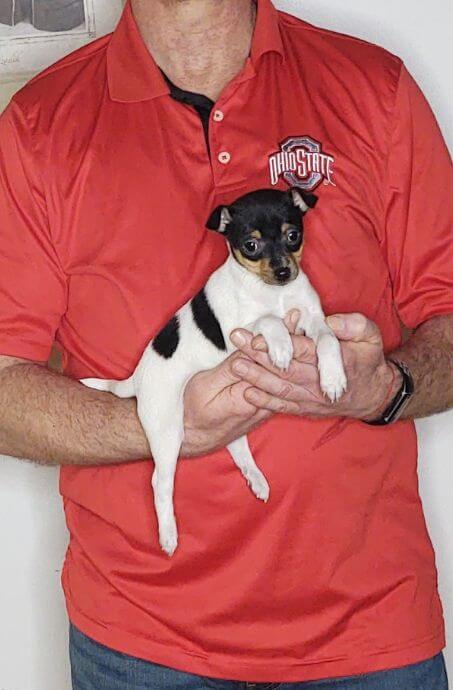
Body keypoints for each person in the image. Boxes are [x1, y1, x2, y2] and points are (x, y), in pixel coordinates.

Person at [0, 0, 452, 688]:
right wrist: (160, 422)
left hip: (369, 634)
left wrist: (386, 386)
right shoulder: (38, 125)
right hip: (139, 645)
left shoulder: (373, 87)